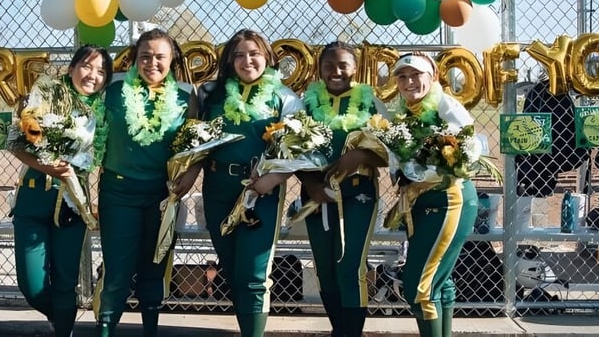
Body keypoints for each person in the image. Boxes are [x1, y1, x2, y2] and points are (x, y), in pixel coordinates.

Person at [198, 29, 303, 337]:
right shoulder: (211, 93)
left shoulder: (284, 97)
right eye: (239, 54)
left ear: (267, 58)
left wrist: (272, 179)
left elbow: (300, 149)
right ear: (229, 61)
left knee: (254, 275)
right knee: (231, 270)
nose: (247, 61)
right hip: (217, 188)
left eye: (254, 53)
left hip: (261, 193)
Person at [97, 29, 196, 337]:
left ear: (172, 59)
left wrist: (190, 175)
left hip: (161, 195)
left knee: (154, 271)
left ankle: (150, 330)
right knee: (118, 273)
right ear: (135, 58)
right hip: (118, 193)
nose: (152, 62)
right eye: (145, 56)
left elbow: (194, 148)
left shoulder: (186, 96)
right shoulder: (112, 91)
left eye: (160, 56)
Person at [10, 45, 112, 337]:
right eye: (86, 66)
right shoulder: (47, 96)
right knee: (32, 286)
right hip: (33, 199)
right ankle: (59, 316)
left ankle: (63, 329)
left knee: (66, 281)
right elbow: (16, 144)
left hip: (72, 203)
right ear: (71, 68)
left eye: (101, 71)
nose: (92, 75)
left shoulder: (104, 113)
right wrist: (48, 167)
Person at [298, 41, 387, 337]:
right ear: (319, 68)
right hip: (316, 195)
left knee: (350, 265)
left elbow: (393, 150)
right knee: (325, 269)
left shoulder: (370, 101)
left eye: (343, 65)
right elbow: (287, 148)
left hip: (358, 193)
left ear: (355, 68)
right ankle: (340, 330)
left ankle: (352, 332)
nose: (336, 71)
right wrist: (310, 184)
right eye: (329, 65)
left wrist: (360, 155)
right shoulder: (306, 101)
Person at [391, 52, 478, 337]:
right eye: (402, 76)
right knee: (440, 282)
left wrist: (427, 170)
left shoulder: (444, 105)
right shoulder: (403, 110)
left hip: (448, 200)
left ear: (433, 77)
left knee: (419, 286)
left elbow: (470, 150)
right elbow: (396, 156)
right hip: (421, 202)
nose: (408, 82)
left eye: (415, 75)